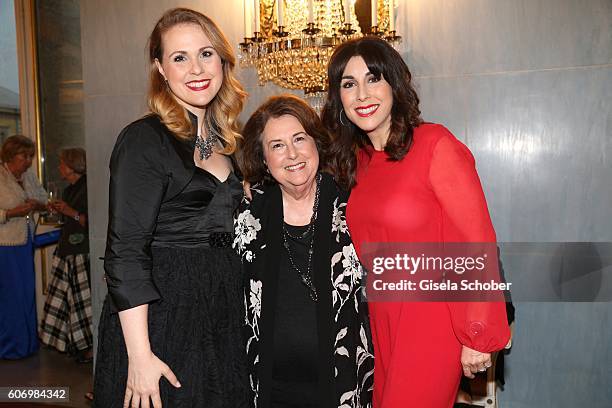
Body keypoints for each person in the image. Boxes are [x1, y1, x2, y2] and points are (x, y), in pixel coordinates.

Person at [321, 37, 511, 408]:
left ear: (394, 84)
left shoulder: (434, 145)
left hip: (432, 317)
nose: (362, 94)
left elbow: (476, 239)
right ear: (338, 99)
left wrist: (476, 332)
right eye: (348, 84)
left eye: (373, 79)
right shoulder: (357, 163)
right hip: (383, 316)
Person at [93, 8, 248, 408]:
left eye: (206, 54)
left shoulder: (230, 143)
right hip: (161, 315)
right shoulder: (143, 140)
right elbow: (125, 254)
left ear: (223, 60)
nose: (196, 68)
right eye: (179, 57)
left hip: (221, 310)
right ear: (161, 68)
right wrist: (140, 356)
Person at [236, 94, 374, 408]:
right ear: (264, 159)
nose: (292, 154)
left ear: (316, 143)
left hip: (344, 386)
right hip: (269, 391)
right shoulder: (247, 212)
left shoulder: (352, 203)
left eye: (300, 138)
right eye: (277, 145)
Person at [39, 147, 93, 363]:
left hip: (81, 252)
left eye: (62, 163)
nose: (59, 167)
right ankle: (71, 344)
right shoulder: (70, 189)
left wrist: (69, 211)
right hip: (67, 251)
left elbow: (90, 221)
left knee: (83, 303)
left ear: (72, 166)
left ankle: (89, 347)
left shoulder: (88, 186)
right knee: (66, 301)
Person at [0, 135, 47, 359]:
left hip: (25, 241)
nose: (28, 161)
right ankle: (9, 348)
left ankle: (27, 344)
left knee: (27, 294)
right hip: (4, 246)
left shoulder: (28, 175)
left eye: (30, 156)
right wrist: (10, 213)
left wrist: (37, 204)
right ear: (10, 155)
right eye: (24, 156)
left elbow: (42, 199)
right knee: (10, 296)